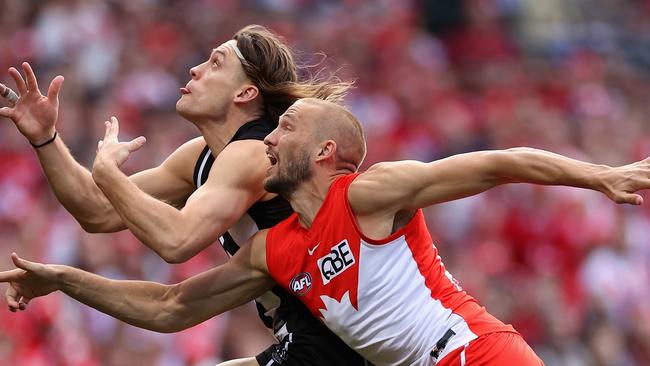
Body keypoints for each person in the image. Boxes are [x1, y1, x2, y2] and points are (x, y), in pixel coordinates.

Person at [3, 98, 650, 365]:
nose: (268, 140)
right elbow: (171, 307)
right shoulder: (272, 250)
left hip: (480, 356)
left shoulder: (367, 195)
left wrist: (603, 177)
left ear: (325, 152)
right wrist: (63, 278)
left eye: (284, 131)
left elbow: (495, 164)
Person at [0, 26, 367, 366]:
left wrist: (109, 174)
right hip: (307, 343)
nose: (194, 69)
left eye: (215, 63)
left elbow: (177, 241)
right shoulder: (204, 155)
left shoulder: (256, 154)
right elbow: (96, 212)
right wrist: (45, 137)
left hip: (337, 345)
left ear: (245, 93)